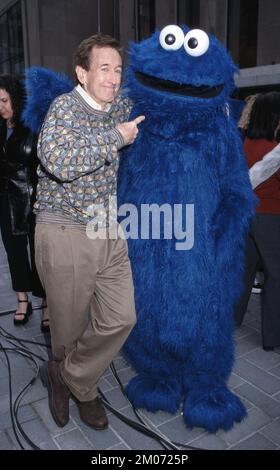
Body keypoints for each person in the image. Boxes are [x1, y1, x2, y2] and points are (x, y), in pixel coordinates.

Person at [35, 34, 145, 429]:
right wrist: (117, 137)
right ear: (82, 73)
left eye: (118, 70)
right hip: (64, 227)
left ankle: (69, 377)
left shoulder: (120, 106)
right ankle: (80, 387)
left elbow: (157, 110)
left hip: (107, 226)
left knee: (122, 316)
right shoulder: (64, 107)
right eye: (104, 68)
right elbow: (58, 160)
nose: (114, 77)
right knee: (68, 328)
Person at [0, 74, 49, 332]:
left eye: (4, 100)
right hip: (5, 199)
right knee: (14, 253)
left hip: (31, 197)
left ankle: (46, 304)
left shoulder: (31, 125)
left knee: (38, 253)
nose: (1, 107)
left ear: (15, 99)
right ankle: (23, 302)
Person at [235, 92, 280, 351]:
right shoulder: (275, 146)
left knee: (244, 271)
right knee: (276, 277)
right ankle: (272, 337)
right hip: (270, 217)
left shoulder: (246, 143)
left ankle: (233, 318)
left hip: (246, 214)